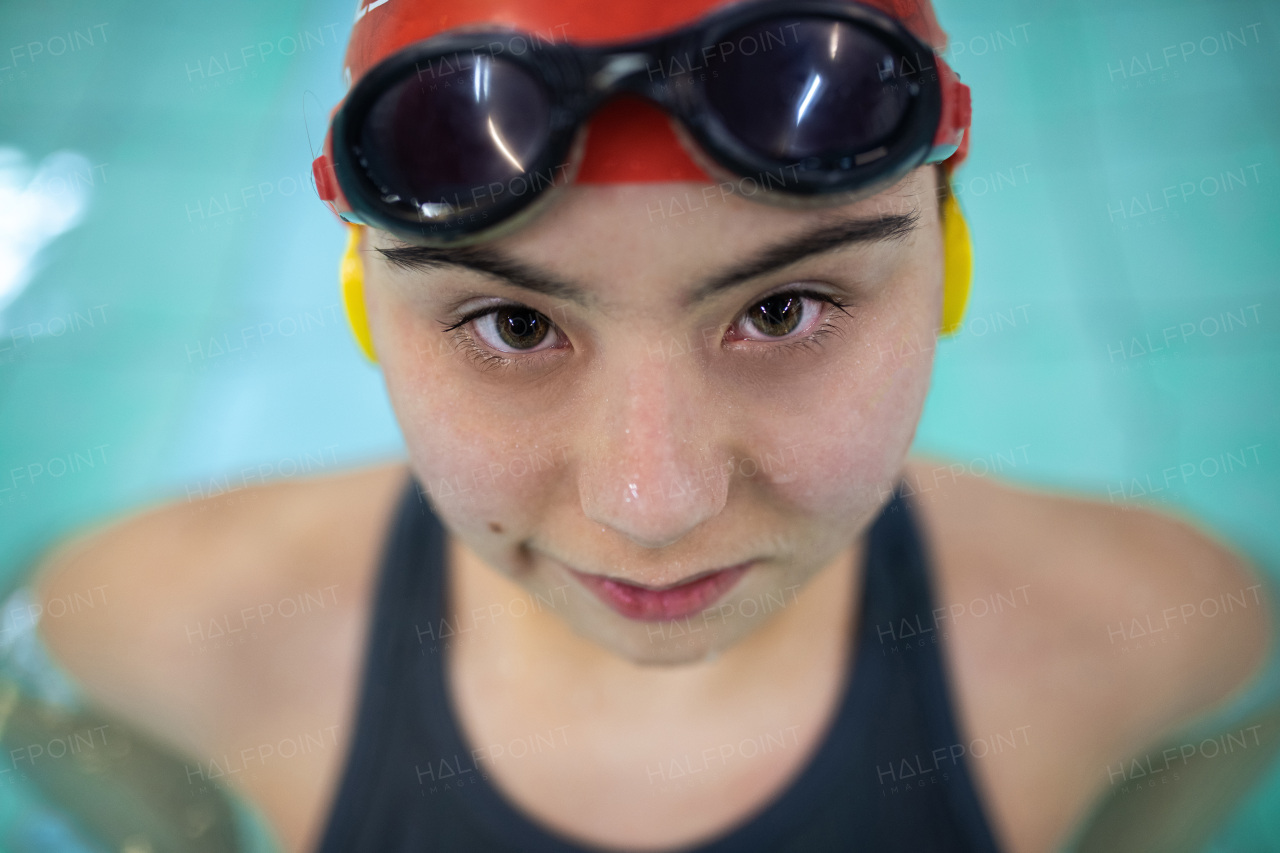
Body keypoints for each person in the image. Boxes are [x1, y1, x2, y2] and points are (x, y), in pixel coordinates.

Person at [23, 0, 1278, 851]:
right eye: (512, 325)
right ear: (364, 309)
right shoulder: (142, 634)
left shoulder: (1159, 643)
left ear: (946, 272)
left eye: (783, 307)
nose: (653, 502)